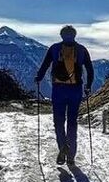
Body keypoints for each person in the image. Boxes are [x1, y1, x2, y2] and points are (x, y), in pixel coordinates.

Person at [35, 25, 94, 168]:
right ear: (75, 35)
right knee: (72, 122)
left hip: (58, 90)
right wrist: (88, 86)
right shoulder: (81, 50)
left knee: (59, 121)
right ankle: (71, 157)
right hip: (75, 90)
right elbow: (90, 70)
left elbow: (44, 66)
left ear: (61, 35)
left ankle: (62, 146)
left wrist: (38, 78)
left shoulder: (54, 48)